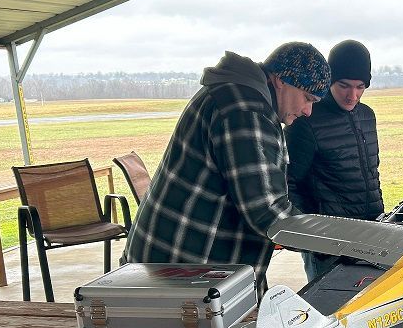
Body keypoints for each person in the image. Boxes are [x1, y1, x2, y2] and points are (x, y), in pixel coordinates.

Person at [124, 43, 330, 292]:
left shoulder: (234, 92)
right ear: (280, 80)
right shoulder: (245, 110)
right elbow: (267, 211)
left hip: (168, 257)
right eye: (307, 98)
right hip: (180, 267)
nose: (308, 111)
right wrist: (335, 242)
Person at [286, 39, 384, 282]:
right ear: (329, 80)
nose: (352, 95)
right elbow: (289, 183)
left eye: (360, 87)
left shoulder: (367, 116)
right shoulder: (305, 120)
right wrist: (313, 233)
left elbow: (371, 172)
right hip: (329, 246)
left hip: (372, 233)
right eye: (344, 86)